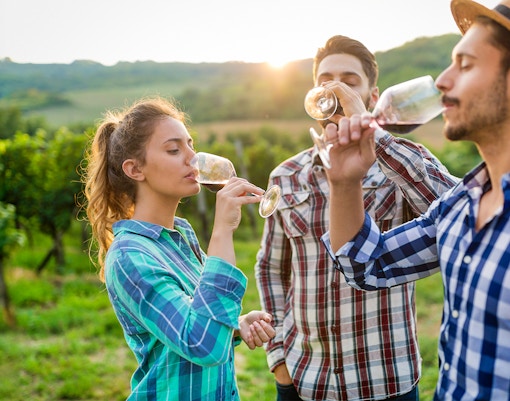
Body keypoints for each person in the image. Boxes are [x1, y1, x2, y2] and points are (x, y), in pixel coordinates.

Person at [322, 1, 510, 400]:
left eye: (465, 64)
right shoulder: (460, 205)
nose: (442, 81)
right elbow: (365, 265)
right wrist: (345, 182)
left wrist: (379, 137)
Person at [254, 35, 459, 401]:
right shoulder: (285, 176)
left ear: (373, 96)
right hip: (304, 380)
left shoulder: (400, 164)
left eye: (349, 82)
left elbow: (460, 212)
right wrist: (279, 360)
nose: (334, 89)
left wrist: (373, 133)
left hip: (386, 381)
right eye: (325, 80)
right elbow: (271, 268)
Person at [82, 96, 276, 401]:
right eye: (174, 150)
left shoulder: (181, 236)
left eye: (190, 145)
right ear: (135, 169)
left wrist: (235, 325)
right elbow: (203, 344)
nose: (193, 158)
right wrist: (223, 229)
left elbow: (193, 317)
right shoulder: (130, 257)